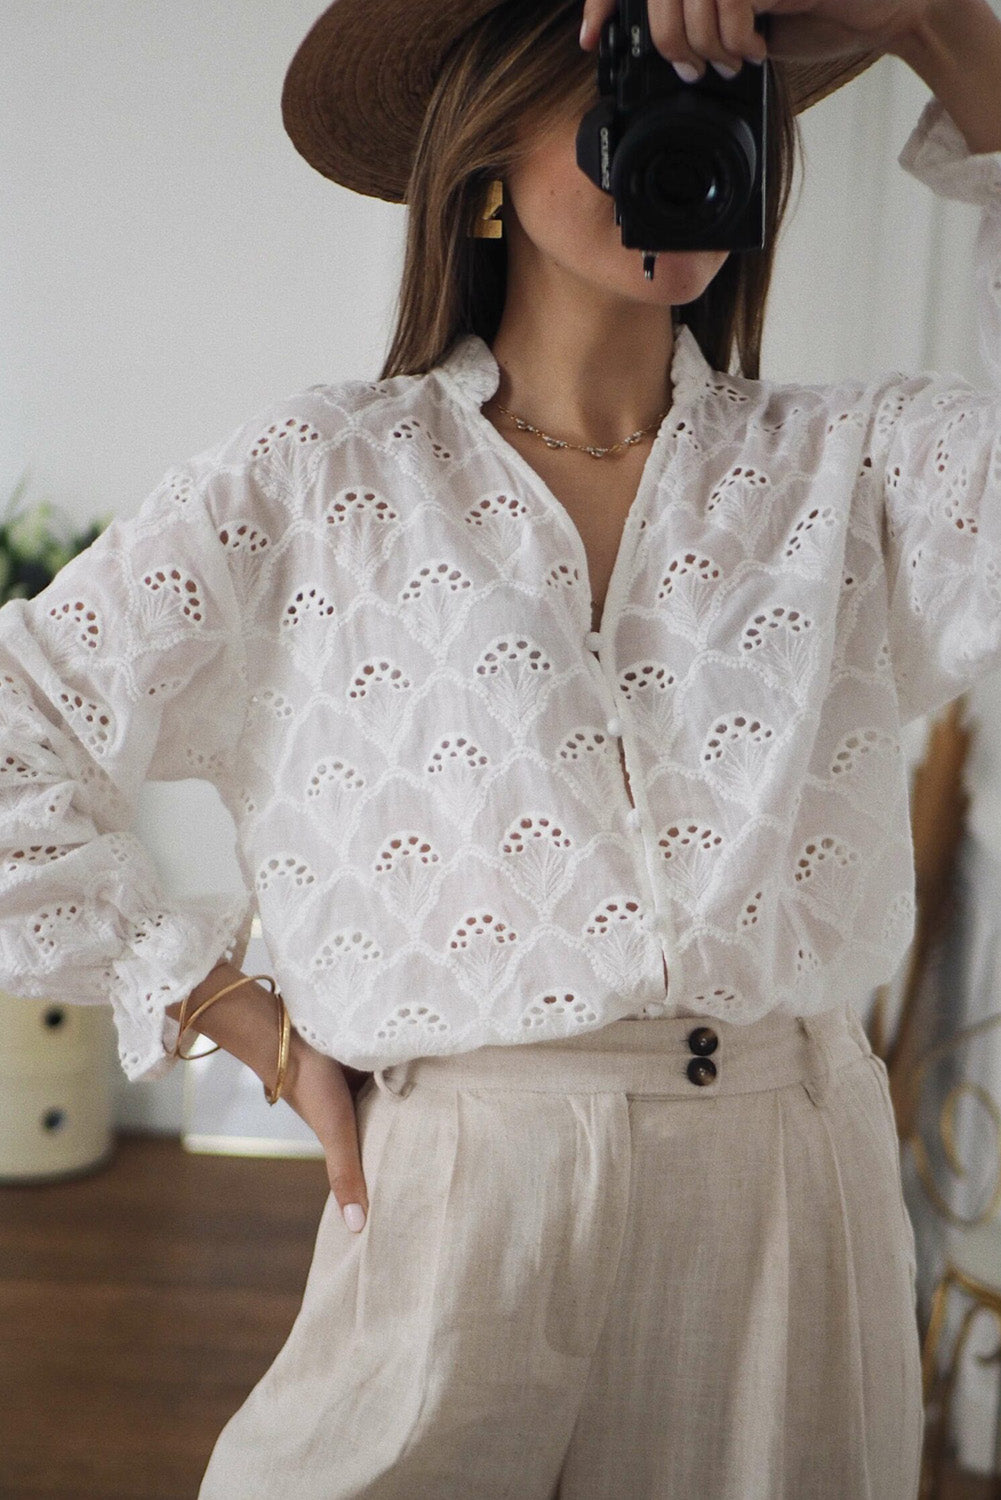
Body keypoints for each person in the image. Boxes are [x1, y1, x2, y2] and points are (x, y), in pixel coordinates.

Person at [1, 0, 1000, 1493]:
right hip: (464, 1187)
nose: (680, 127)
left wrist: (943, 29)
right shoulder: (323, 474)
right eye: (629, 85)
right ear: (483, 153)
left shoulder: (858, 469)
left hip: (787, 1196)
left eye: (721, 92)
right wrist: (224, 1007)